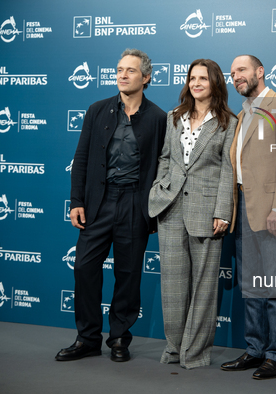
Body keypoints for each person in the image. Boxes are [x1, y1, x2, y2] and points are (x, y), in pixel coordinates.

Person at [56, 49, 166, 363]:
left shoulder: (159, 118)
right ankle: (87, 338)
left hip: (134, 203)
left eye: (130, 70)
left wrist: (154, 211)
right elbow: (81, 160)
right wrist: (76, 201)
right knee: (84, 267)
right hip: (98, 203)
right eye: (119, 69)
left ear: (146, 78)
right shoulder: (97, 110)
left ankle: (119, 338)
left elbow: (163, 166)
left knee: (128, 274)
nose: (122, 75)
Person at [149, 59, 236, 369]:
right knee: (172, 286)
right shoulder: (174, 117)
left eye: (203, 78)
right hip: (170, 208)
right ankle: (174, 348)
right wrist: (160, 186)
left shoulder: (228, 122)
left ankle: (195, 353)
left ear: (215, 83)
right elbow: (165, 157)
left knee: (203, 286)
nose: (197, 83)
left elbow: (228, 169)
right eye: (192, 78)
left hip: (207, 211)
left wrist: (223, 211)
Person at [220, 55, 276, 379]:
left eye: (241, 70)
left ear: (260, 71)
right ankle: (255, 349)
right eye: (232, 73)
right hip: (243, 208)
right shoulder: (243, 113)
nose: (236, 77)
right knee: (251, 285)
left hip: (271, 210)